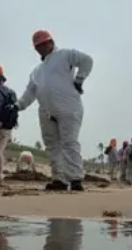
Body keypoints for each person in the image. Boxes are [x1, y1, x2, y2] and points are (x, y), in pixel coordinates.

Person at [12, 29, 93, 192]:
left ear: (51, 42)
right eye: (38, 46)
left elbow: (87, 60)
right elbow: (30, 92)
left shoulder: (65, 55)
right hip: (46, 112)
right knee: (53, 146)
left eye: (44, 44)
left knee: (70, 143)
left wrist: (80, 79)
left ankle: (76, 179)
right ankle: (59, 179)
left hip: (69, 107)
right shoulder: (37, 71)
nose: (41, 47)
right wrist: (17, 106)